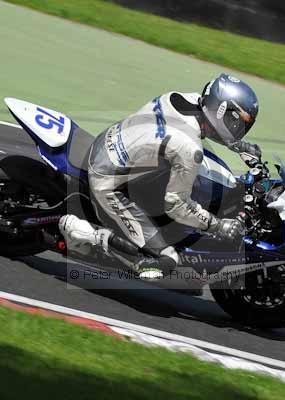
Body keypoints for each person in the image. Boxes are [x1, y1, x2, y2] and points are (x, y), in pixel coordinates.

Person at [62, 73, 262, 280]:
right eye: (238, 123)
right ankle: (87, 235)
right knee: (167, 261)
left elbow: (208, 126)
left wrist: (238, 146)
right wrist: (217, 225)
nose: (239, 129)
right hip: (107, 182)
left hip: (108, 144)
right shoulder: (189, 148)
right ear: (221, 111)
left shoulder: (181, 98)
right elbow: (176, 206)